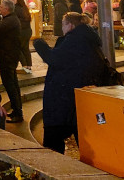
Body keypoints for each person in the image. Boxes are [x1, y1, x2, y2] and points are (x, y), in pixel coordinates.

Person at [33, 12, 107, 154]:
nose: (62, 28)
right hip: (78, 94)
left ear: (70, 25)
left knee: (54, 141)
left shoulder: (75, 40)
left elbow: (55, 59)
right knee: (83, 135)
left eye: (63, 24)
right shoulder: (87, 39)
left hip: (65, 97)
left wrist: (40, 44)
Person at [0, 0, 23, 123]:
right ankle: (17, 110)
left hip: (8, 56)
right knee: (13, 84)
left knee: (10, 84)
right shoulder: (11, 19)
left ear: (6, 9)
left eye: (0, 6)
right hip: (10, 55)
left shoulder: (9, 21)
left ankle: (18, 112)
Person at [13, 0, 33, 75]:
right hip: (28, 30)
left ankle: (24, 65)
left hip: (21, 31)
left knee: (18, 48)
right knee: (25, 48)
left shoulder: (15, 9)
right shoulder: (25, 7)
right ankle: (29, 66)